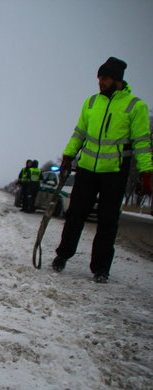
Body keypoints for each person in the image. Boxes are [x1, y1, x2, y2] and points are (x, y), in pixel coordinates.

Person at [52, 57, 152, 283]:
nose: (100, 82)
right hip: (87, 169)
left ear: (117, 79)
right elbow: (79, 132)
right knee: (75, 216)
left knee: (107, 222)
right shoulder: (91, 103)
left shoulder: (135, 106)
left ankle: (101, 269)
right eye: (99, 78)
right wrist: (69, 155)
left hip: (115, 172)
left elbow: (142, 142)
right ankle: (62, 256)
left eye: (104, 78)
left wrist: (147, 172)